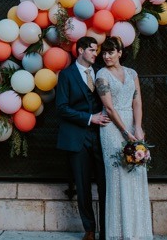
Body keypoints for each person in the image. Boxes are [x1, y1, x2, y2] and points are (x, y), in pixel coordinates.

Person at [95, 36, 153, 240]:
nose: (107, 56)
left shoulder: (132, 73)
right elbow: (109, 108)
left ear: (120, 52)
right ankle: (119, 233)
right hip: (113, 129)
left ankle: (138, 231)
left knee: (136, 174)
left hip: (131, 124)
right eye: (104, 53)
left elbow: (137, 101)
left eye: (111, 52)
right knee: (118, 176)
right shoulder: (101, 75)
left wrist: (137, 127)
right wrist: (125, 132)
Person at [57, 36, 112, 240]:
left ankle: (106, 230)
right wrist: (90, 118)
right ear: (80, 50)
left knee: (106, 184)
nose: (95, 54)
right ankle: (89, 229)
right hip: (77, 137)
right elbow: (61, 108)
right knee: (83, 186)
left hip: (102, 136)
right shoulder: (66, 75)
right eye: (91, 50)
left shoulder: (101, 72)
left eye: (95, 50)